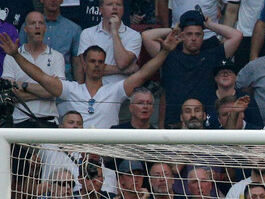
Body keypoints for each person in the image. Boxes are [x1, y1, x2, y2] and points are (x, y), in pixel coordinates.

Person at [0, 29, 178, 129]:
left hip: (105, 155)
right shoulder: (71, 89)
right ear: (83, 64)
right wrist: (16, 55)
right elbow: (41, 77)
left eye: (101, 62)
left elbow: (143, 74)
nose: (97, 65)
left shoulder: (114, 90)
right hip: (73, 153)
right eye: (92, 61)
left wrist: (165, 51)